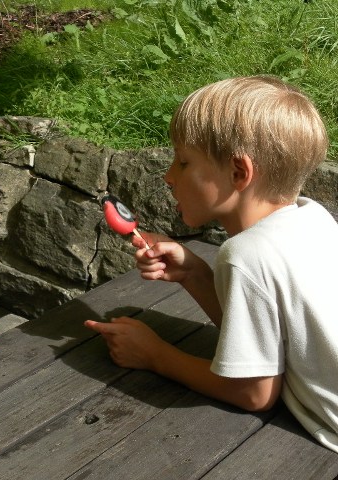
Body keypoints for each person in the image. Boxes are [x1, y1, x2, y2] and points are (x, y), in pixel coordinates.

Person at [85, 76, 338, 453]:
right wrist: (194, 273)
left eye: (183, 161)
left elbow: (253, 393)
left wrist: (155, 355)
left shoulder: (246, 254)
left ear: (238, 173)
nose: (169, 176)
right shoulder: (313, 217)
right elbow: (270, 335)